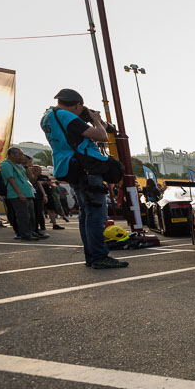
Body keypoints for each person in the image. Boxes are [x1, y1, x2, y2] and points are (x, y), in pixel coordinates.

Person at [40, 88, 127, 268]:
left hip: (67, 165)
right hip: (84, 167)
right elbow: (102, 135)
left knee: (86, 214)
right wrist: (96, 120)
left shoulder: (47, 116)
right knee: (96, 214)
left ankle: (92, 256)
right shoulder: (66, 116)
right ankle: (98, 256)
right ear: (78, 104)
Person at [0, 148, 41, 240]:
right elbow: (11, 179)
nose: (22, 157)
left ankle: (31, 232)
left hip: (28, 193)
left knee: (31, 216)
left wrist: (33, 171)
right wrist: (19, 193)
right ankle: (25, 234)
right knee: (23, 215)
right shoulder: (6, 164)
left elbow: (31, 180)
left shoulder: (20, 166)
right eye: (20, 154)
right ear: (12, 155)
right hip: (17, 194)